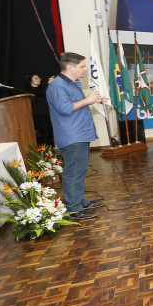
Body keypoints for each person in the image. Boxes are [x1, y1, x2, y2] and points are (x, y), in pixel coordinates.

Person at [45, 52, 109, 220]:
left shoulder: (72, 83)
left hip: (80, 133)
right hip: (72, 136)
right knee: (73, 172)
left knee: (79, 171)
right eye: (82, 66)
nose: (85, 69)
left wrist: (93, 100)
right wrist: (88, 100)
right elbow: (65, 108)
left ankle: (79, 201)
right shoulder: (58, 86)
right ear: (70, 67)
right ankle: (74, 209)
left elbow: (76, 105)